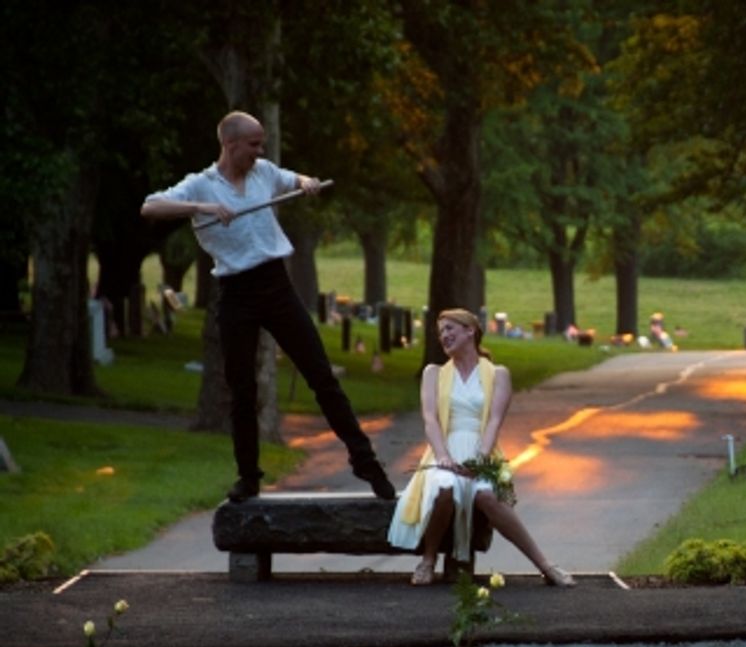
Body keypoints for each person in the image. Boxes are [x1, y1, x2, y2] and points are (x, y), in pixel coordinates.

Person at [141, 111, 395, 502]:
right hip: (235, 293)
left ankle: (365, 462)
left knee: (321, 377)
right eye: (254, 144)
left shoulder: (264, 172)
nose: (260, 151)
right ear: (230, 144)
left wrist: (307, 183)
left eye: (262, 144)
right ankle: (249, 478)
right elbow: (150, 207)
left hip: (276, 286)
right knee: (242, 391)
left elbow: (295, 179)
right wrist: (203, 208)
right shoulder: (201, 184)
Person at [388, 309, 574, 587]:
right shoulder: (433, 373)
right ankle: (428, 560)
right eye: (441, 332)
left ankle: (545, 565)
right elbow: (430, 419)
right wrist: (443, 456)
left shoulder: (498, 375)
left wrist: (480, 460)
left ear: (470, 331)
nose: (444, 336)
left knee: (487, 495)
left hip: (482, 451)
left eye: (450, 329)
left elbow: (494, 421)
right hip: (445, 450)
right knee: (444, 487)